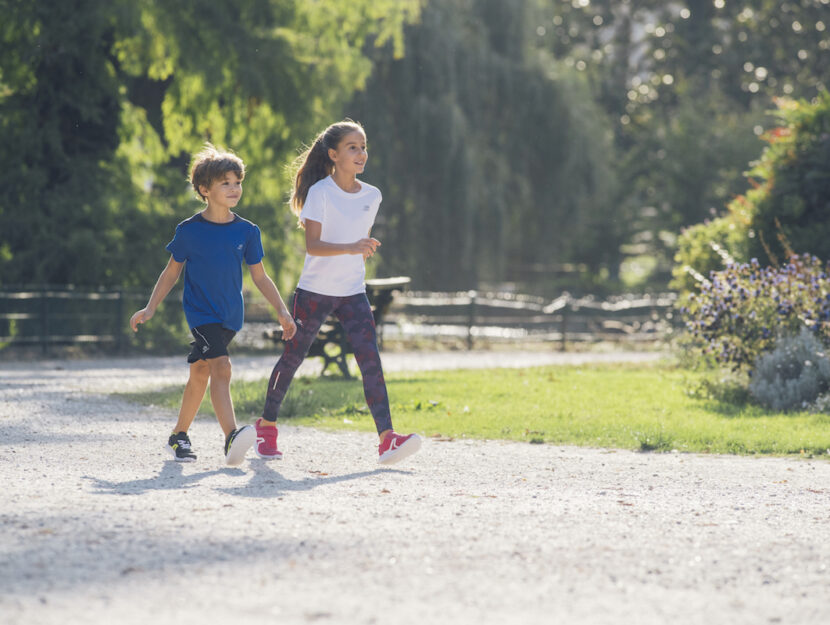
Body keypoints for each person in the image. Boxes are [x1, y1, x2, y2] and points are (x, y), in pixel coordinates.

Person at [256, 120, 421, 465]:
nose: (361, 154)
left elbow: (357, 242)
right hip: (314, 292)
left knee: (371, 362)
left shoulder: (372, 195)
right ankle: (266, 427)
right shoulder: (319, 193)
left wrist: (360, 248)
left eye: (363, 147)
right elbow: (314, 246)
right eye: (353, 147)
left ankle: (387, 439)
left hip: (352, 292)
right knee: (293, 358)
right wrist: (353, 246)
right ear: (334, 154)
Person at [130, 144, 296, 466]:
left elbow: (260, 278)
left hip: (230, 317)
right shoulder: (189, 231)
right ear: (205, 189)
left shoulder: (247, 232)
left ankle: (179, 435)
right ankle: (231, 436)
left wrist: (282, 310)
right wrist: (150, 308)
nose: (234, 188)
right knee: (222, 367)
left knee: (200, 372)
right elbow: (171, 273)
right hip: (201, 313)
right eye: (226, 183)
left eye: (237, 182)